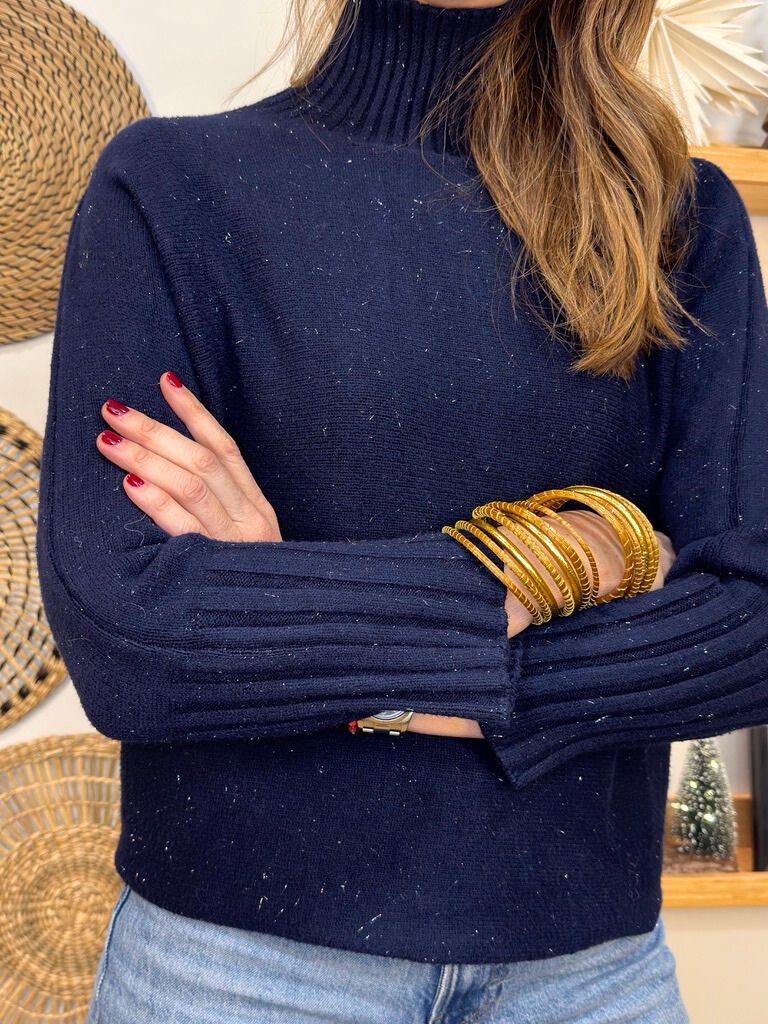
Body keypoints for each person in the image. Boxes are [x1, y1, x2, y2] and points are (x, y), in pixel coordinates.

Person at [35, 0, 768, 1020]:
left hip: (588, 977)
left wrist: (288, 601)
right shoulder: (169, 185)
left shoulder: (677, 214)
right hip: (236, 973)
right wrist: (557, 558)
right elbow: (128, 641)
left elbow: (750, 622)